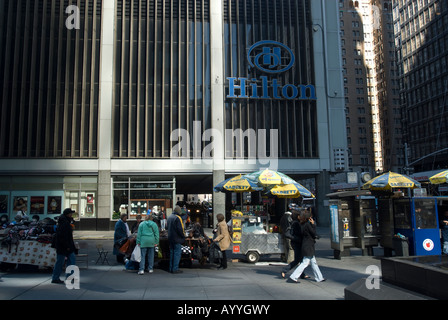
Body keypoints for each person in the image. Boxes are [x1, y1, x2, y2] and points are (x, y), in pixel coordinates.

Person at [289, 210, 325, 283]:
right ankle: (293, 277)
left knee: (313, 262)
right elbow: (313, 233)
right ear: (308, 218)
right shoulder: (307, 225)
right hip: (308, 245)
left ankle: (319, 277)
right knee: (305, 263)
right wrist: (313, 225)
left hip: (305, 245)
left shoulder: (301, 224)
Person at [281, 210, 308, 279]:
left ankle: (302, 274)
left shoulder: (294, 222)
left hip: (295, 242)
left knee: (301, 259)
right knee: (298, 260)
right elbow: (300, 233)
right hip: (297, 243)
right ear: (298, 216)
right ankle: (285, 270)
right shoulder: (297, 224)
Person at [51, 208, 77, 284]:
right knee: (69, 261)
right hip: (65, 246)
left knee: (61, 262)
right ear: (67, 214)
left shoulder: (64, 222)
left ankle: (56, 277)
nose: (71, 215)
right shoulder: (65, 223)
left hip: (63, 245)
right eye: (71, 214)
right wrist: (68, 246)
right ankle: (65, 277)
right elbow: (64, 236)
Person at [167, 205, 186, 273]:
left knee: (172, 253)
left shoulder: (169, 217)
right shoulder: (178, 218)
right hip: (177, 238)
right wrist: (183, 236)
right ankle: (175, 268)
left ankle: (171, 267)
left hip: (170, 237)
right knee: (177, 253)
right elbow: (180, 229)